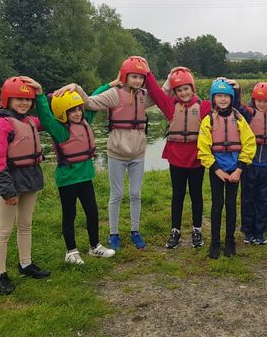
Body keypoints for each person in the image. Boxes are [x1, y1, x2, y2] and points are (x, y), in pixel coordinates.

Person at [74, 56, 155, 251]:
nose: (137, 81)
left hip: (138, 154)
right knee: (116, 194)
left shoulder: (144, 96)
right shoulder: (114, 94)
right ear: (125, 76)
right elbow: (89, 103)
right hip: (117, 153)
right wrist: (76, 88)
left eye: (140, 77)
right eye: (133, 76)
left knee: (136, 193)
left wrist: (170, 74)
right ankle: (114, 233)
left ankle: (135, 231)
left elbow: (165, 93)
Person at [0, 76, 50, 295]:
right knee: (4, 229)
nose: (24, 103)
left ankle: (25, 264)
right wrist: (7, 190)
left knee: (26, 224)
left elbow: (48, 117)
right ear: (7, 99)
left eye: (28, 99)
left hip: (30, 176)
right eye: (19, 99)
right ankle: (0, 275)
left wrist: (42, 94)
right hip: (11, 179)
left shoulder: (29, 121)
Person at [36, 87, 115, 264]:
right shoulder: (59, 130)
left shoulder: (85, 121)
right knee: (69, 214)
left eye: (79, 109)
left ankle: (95, 246)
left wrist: (110, 85)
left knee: (92, 212)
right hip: (67, 179)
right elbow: (46, 117)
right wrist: (40, 95)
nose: (78, 113)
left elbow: (92, 100)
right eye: (72, 110)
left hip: (86, 177)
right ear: (62, 113)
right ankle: (71, 252)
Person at [144, 67, 211, 248]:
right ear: (175, 92)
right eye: (179, 90)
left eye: (186, 89)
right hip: (176, 158)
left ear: (193, 88)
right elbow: (156, 93)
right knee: (178, 195)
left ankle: (197, 230)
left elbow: (225, 101)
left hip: (196, 158)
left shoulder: (204, 106)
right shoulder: (170, 105)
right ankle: (175, 230)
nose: (183, 93)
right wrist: (147, 73)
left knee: (196, 195)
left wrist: (232, 87)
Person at [197, 79, 256, 259]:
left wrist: (239, 169)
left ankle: (230, 240)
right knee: (217, 206)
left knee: (231, 206)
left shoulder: (239, 120)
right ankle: (215, 242)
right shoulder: (208, 120)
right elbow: (203, 148)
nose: (222, 99)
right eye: (219, 96)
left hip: (235, 170)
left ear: (231, 98)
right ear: (213, 99)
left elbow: (249, 143)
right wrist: (216, 169)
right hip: (217, 170)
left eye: (226, 96)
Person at [239, 82, 267, 245]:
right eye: (259, 100)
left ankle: (260, 231)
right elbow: (236, 105)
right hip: (249, 164)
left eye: (266, 101)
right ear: (253, 100)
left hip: (266, 165)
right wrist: (236, 88)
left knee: (263, 198)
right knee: (248, 198)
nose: (262, 104)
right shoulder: (248, 113)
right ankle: (247, 230)